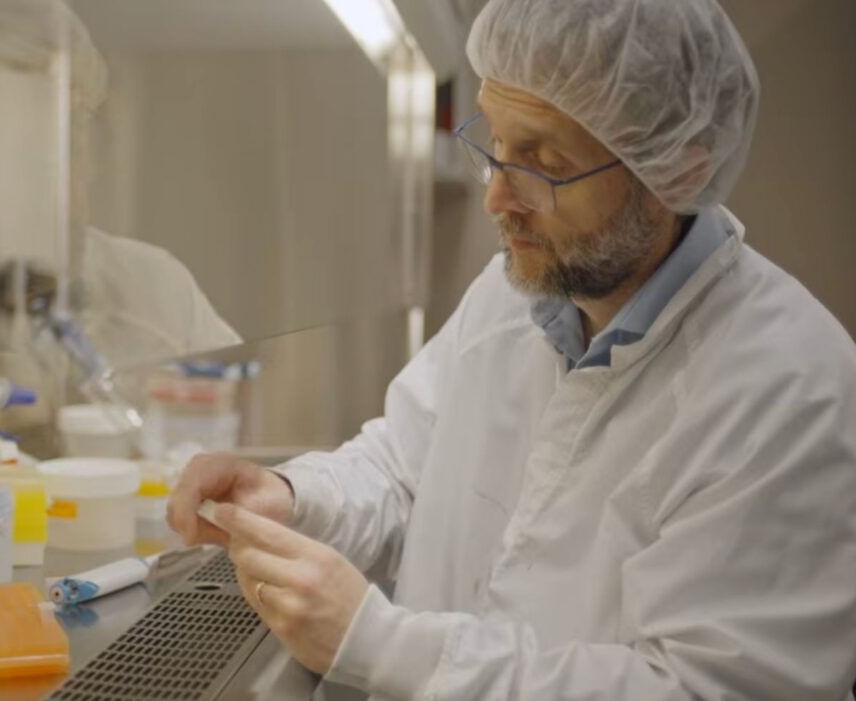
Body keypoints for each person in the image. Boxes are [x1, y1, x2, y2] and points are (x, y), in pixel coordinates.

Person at [169, 0, 856, 698]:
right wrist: (295, 495)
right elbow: (405, 468)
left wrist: (385, 644)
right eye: (495, 145)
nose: (497, 196)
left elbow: (700, 688)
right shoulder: (516, 293)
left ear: (674, 171)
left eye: (544, 162)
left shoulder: (788, 390)